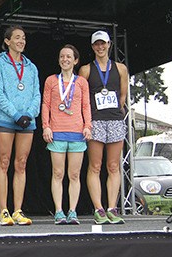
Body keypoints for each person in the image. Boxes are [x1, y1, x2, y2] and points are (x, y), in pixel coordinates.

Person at [0, 26, 41, 226]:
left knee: (21, 164)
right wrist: (16, 114)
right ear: (7, 41)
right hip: (6, 119)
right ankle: (3, 210)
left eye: (24, 38)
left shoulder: (32, 67)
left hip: (28, 120)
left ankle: (17, 210)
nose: (21, 41)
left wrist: (29, 114)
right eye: (17, 37)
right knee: (4, 162)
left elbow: (37, 94)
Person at [78, 30, 128, 224]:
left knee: (114, 166)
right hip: (95, 120)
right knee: (95, 165)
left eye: (103, 43)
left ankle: (112, 208)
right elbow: (83, 98)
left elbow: (122, 96)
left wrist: (117, 111)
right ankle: (99, 208)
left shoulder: (121, 68)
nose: (100, 47)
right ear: (92, 47)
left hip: (115, 119)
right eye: (96, 44)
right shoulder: (86, 70)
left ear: (109, 45)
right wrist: (87, 122)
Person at [42, 44, 92, 225]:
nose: (65, 59)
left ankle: (72, 211)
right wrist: (46, 126)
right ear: (59, 60)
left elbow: (86, 106)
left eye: (69, 57)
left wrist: (88, 126)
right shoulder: (50, 81)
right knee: (57, 173)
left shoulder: (81, 82)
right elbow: (45, 104)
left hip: (77, 133)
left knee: (74, 175)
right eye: (62, 56)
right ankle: (58, 211)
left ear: (75, 60)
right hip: (56, 133)